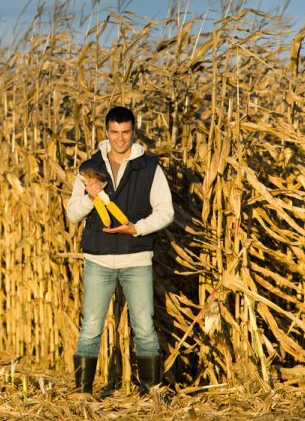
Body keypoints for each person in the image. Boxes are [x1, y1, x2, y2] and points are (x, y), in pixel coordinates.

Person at [67, 106, 174, 395]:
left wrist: (136, 228)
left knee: (144, 327)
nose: (120, 139)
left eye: (125, 132)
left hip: (136, 257)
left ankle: (151, 393)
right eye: (114, 132)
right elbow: (72, 213)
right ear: (106, 132)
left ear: (133, 131)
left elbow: (166, 212)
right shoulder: (89, 167)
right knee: (90, 327)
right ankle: (82, 394)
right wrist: (90, 199)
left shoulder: (149, 167)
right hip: (98, 259)